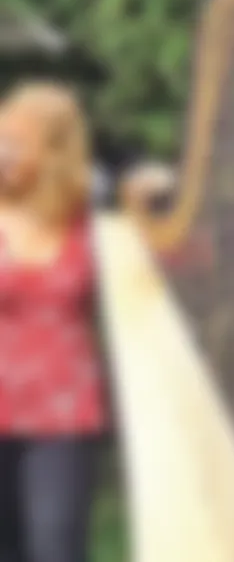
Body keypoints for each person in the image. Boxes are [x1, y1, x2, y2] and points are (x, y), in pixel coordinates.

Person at [0, 82, 104, 562]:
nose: (4, 152)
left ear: (56, 153)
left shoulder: (91, 221)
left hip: (63, 417)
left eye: (18, 142)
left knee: (54, 548)